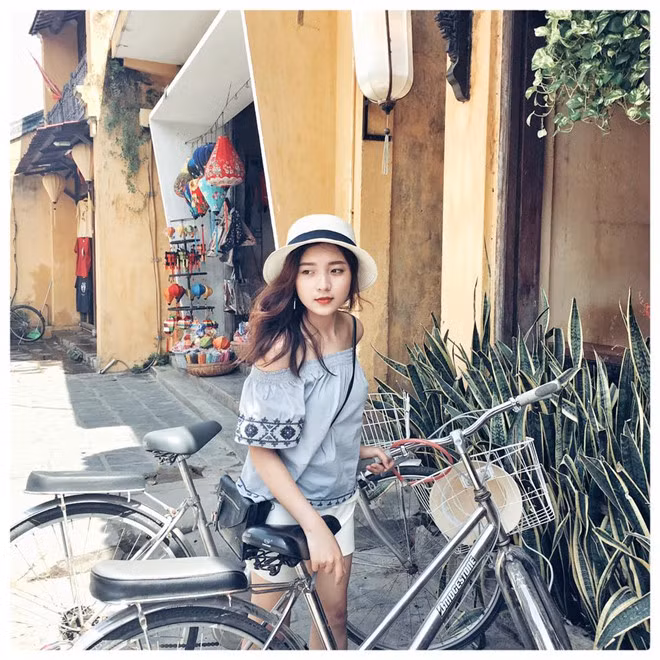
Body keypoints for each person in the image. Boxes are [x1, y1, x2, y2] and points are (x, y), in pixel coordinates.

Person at [234, 213, 393, 649]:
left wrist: (357, 450)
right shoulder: (281, 348)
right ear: (294, 279)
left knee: (333, 620)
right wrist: (313, 526)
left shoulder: (352, 329)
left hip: (337, 498)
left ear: (351, 277)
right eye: (308, 272)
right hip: (282, 505)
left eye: (336, 270)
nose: (323, 284)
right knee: (266, 629)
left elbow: (329, 412)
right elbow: (262, 453)